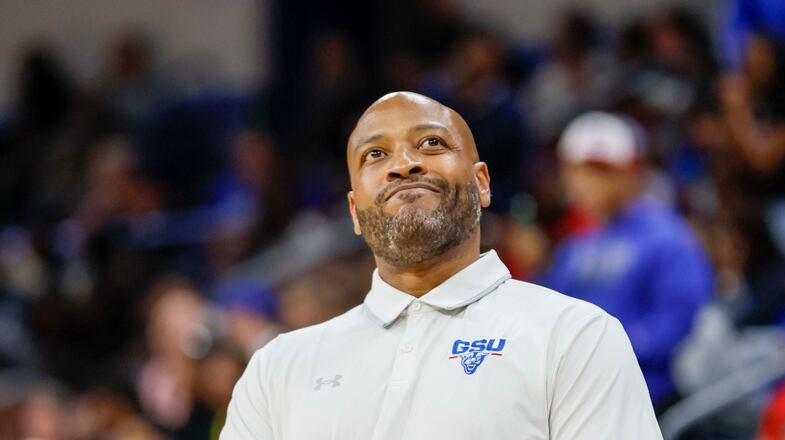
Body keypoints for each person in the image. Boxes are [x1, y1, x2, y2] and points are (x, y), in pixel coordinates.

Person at [220, 92, 661, 439]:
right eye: (375, 155)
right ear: (354, 212)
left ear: (482, 183)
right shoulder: (278, 368)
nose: (404, 165)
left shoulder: (574, 337)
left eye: (431, 143)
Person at [540, 112, 714, 411]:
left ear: (632, 171)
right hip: (578, 395)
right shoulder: (575, 245)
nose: (585, 182)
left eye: (600, 170)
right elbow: (550, 315)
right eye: (577, 170)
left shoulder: (666, 236)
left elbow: (679, 321)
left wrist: (602, 349)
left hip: (645, 397)